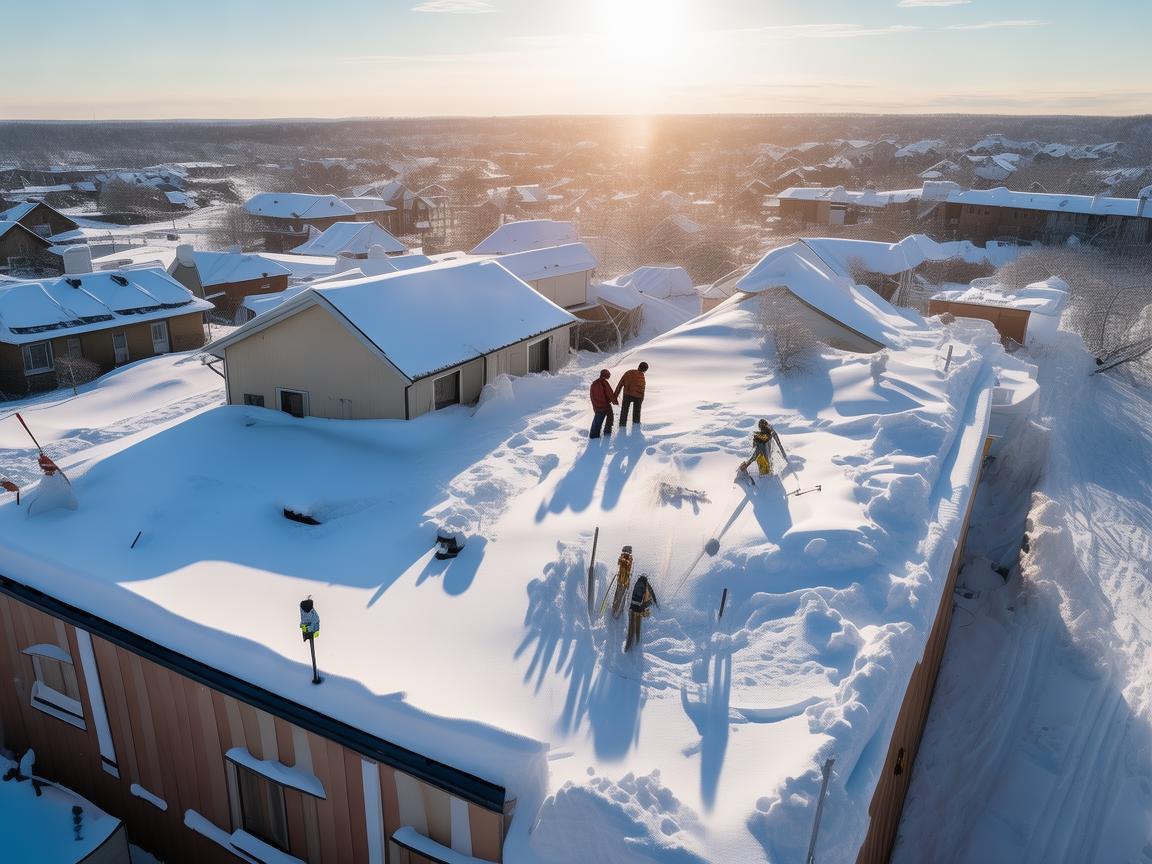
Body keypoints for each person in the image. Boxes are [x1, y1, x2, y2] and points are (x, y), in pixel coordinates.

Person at [624, 574, 658, 652]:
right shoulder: (645, 585)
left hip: (634, 608)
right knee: (635, 631)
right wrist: (654, 604)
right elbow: (652, 598)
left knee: (632, 632)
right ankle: (634, 643)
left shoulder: (638, 584)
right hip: (638, 609)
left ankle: (631, 644)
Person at [615, 361, 648, 428]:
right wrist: (641, 400)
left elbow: (620, 383)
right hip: (638, 397)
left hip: (627, 394)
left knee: (624, 410)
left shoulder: (629, 372)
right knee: (637, 413)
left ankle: (622, 426)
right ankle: (636, 428)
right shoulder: (642, 377)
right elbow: (642, 390)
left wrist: (615, 396)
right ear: (645, 370)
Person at [588, 369, 618, 438]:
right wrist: (615, 402)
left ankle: (593, 435)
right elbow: (610, 394)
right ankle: (607, 432)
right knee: (610, 417)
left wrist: (594, 406)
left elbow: (591, 396)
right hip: (605, 406)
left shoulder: (594, 383)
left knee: (597, 421)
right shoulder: (605, 383)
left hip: (597, 406)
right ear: (607, 375)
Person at [610, 545, 634, 619]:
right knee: (620, 594)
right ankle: (617, 610)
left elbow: (620, 565)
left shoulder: (624, 558)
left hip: (622, 580)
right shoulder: (628, 559)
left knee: (619, 593)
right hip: (623, 581)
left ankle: (616, 609)